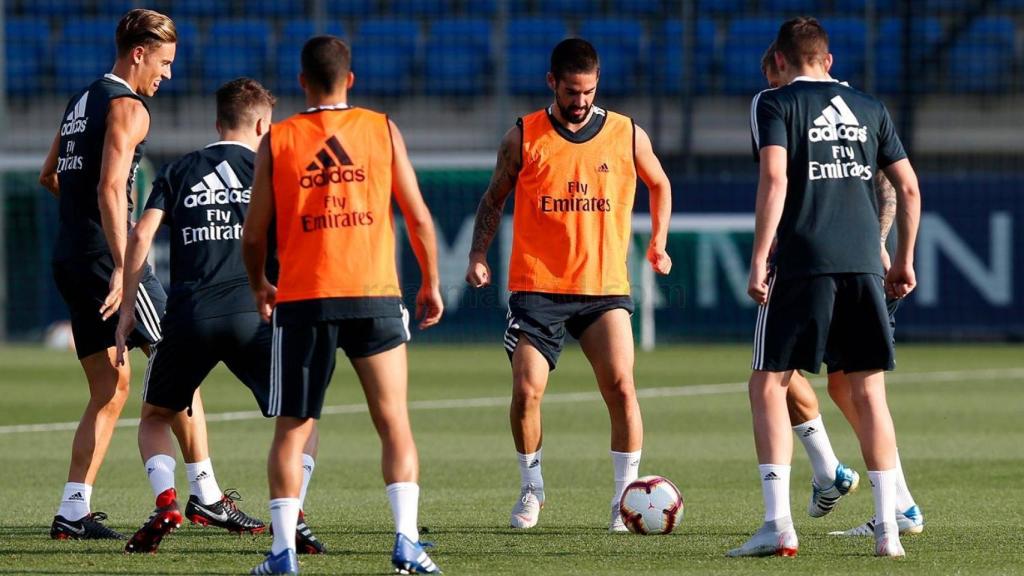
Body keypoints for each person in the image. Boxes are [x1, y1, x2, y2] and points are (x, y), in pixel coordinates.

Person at [242, 36, 444, 575]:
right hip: (374, 293)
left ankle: (283, 553)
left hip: (304, 298)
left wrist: (260, 283)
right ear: (349, 79)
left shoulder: (279, 139)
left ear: (301, 81)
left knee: (292, 428)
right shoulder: (381, 129)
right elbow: (418, 216)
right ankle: (406, 542)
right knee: (394, 421)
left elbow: (254, 233)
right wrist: (430, 282)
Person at [727, 17, 921, 558]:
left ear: (780, 60)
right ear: (828, 59)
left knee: (768, 385)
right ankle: (889, 530)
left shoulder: (775, 103)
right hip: (864, 262)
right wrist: (903, 258)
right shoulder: (869, 107)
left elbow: (775, 178)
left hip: (804, 260)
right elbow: (907, 186)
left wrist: (759, 257)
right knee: (868, 392)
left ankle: (778, 526)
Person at [464, 38, 673, 532]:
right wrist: (477, 254)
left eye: (589, 91)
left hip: (603, 287)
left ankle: (625, 499)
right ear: (552, 83)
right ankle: (531, 487)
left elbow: (660, 183)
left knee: (621, 386)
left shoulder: (626, 133)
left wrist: (658, 242)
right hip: (538, 288)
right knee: (526, 391)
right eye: (571, 91)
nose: (580, 101)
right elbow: (493, 198)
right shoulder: (524, 136)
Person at [114, 78, 326, 555]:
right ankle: (293, 515)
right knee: (301, 416)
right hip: (257, 314)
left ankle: (167, 502)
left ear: (217, 123)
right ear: (263, 125)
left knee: (155, 417)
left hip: (189, 316)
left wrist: (128, 309)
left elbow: (140, 236)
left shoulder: (179, 170)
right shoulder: (276, 170)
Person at [38, 8, 180, 540]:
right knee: (177, 354)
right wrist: (122, 262)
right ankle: (206, 494)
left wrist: (85, 222)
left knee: (109, 389)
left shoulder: (80, 100)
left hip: (70, 254)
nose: (167, 74)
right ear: (139, 54)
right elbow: (109, 188)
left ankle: (72, 509)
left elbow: (49, 175)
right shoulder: (129, 106)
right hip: (106, 258)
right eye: (163, 62)